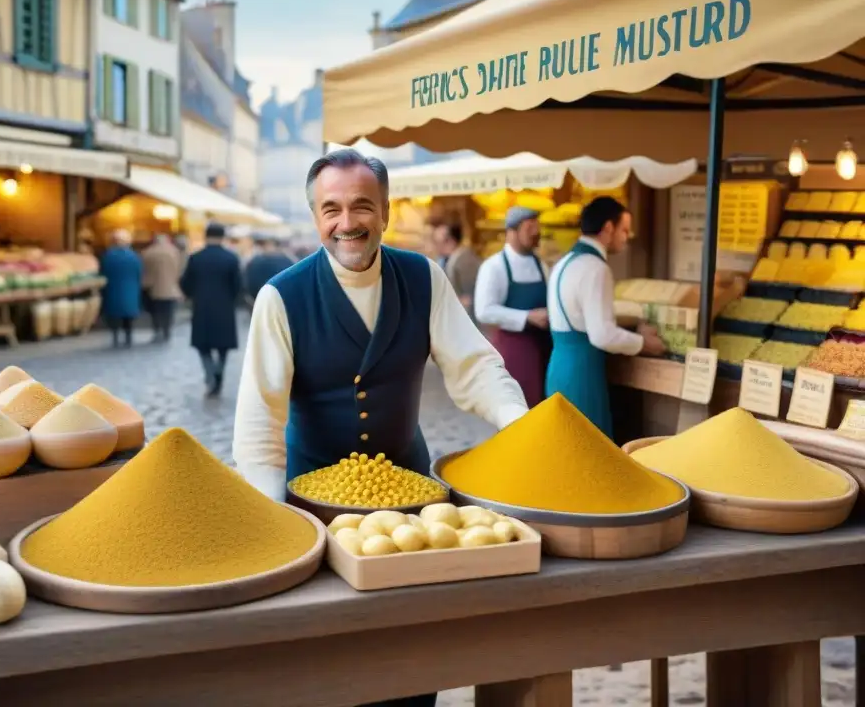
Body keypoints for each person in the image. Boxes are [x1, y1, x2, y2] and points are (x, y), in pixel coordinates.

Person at [234, 150, 528, 707]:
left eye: (362, 206)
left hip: (413, 496)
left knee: (413, 647)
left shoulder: (423, 277)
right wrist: (273, 524)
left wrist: (520, 425)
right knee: (331, 655)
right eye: (332, 209)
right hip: (312, 504)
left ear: (386, 211)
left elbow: (475, 367)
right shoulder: (281, 297)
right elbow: (258, 422)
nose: (348, 223)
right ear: (315, 216)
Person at [545, 196, 666, 439]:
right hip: (582, 373)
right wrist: (644, 343)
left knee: (564, 445)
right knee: (589, 450)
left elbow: (579, 316)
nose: (627, 236)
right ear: (608, 228)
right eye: (624, 229)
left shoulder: (564, 263)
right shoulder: (595, 268)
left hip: (559, 366)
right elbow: (602, 335)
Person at [474, 207, 551, 408]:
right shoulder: (494, 267)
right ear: (512, 231)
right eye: (530, 227)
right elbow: (484, 311)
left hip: (543, 349)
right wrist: (527, 317)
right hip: (513, 351)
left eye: (537, 227)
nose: (536, 232)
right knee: (516, 411)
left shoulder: (541, 265)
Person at [181, 223, 242, 397]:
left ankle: (210, 374)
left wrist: (192, 295)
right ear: (223, 237)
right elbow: (238, 285)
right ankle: (219, 372)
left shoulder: (195, 258)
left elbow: (185, 283)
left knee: (203, 345)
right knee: (223, 347)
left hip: (202, 307)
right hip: (224, 308)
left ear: (206, 236)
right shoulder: (231, 258)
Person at [99, 229, 143, 349]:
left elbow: (103, 272)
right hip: (130, 290)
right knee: (128, 316)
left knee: (114, 315)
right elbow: (139, 272)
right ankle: (128, 337)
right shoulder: (134, 256)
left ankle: (115, 337)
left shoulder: (108, 256)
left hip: (113, 289)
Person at [141, 234, 183, 343]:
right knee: (168, 311)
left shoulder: (148, 252)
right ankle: (167, 330)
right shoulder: (174, 252)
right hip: (171, 288)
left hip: (153, 288)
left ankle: (157, 329)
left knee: (155, 312)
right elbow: (180, 269)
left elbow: (144, 271)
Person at [433, 222, 481, 318]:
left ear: (450, 241)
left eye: (438, 242)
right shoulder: (445, 259)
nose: (435, 246)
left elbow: (470, 297)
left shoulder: (465, 260)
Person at [244, 235, 293, 301]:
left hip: (261, 299)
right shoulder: (286, 259)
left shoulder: (255, 260)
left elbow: (250, 283)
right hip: (282, 299)